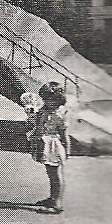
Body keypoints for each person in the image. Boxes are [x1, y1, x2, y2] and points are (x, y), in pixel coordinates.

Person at [28, 82, 69, 214]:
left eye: (48, 99)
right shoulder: (44, 110)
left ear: (57, 100)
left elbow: (64, 134)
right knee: (51, 174)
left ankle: (57, 203)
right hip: (45, 145)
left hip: (54, 146)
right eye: (44, 98)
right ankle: (52, 198)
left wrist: (67, 150)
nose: (45, 101)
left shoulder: (59, 115)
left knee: (56, 175)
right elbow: (37, 124)